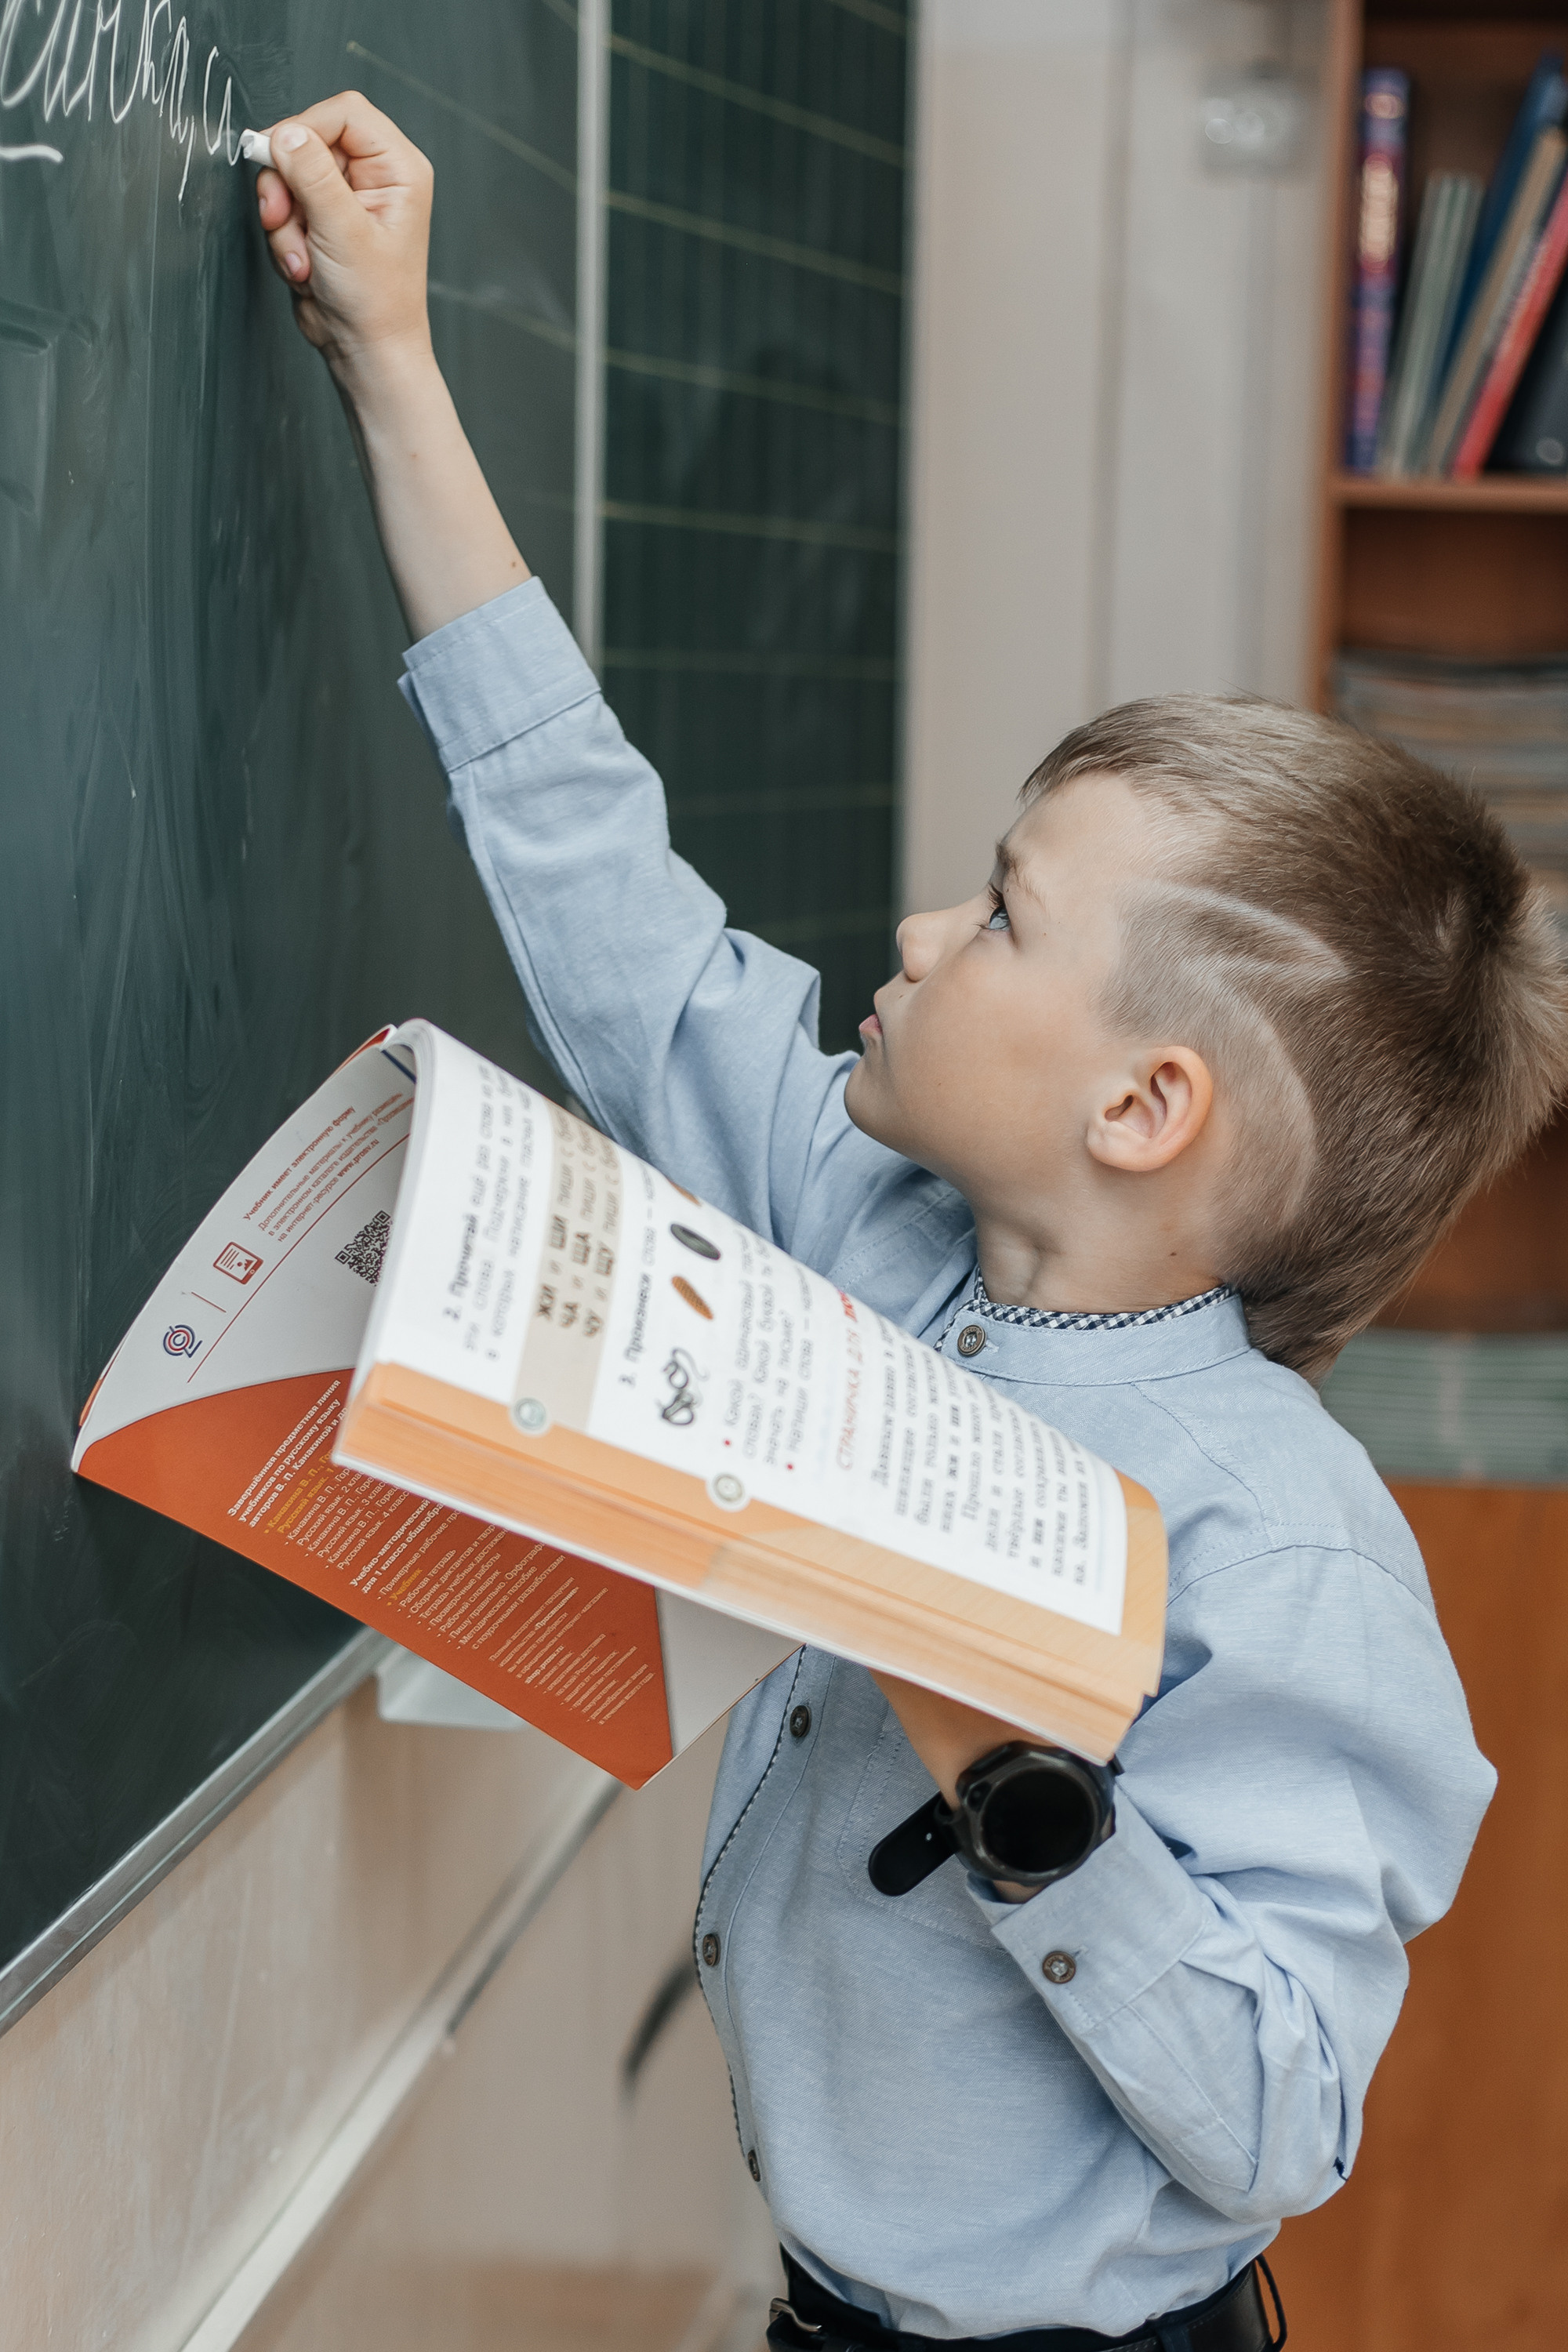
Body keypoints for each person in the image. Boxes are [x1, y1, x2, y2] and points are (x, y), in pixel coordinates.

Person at [254, 96, 1566, 2352]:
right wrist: (394, 356)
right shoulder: (880, 1234)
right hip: (830, 2308)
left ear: (1147, 1109)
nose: (920, 920)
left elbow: (1272, 2120)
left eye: (1006, 914)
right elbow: (601, 884)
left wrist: (1010, 1758)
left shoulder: (1283, 1556)